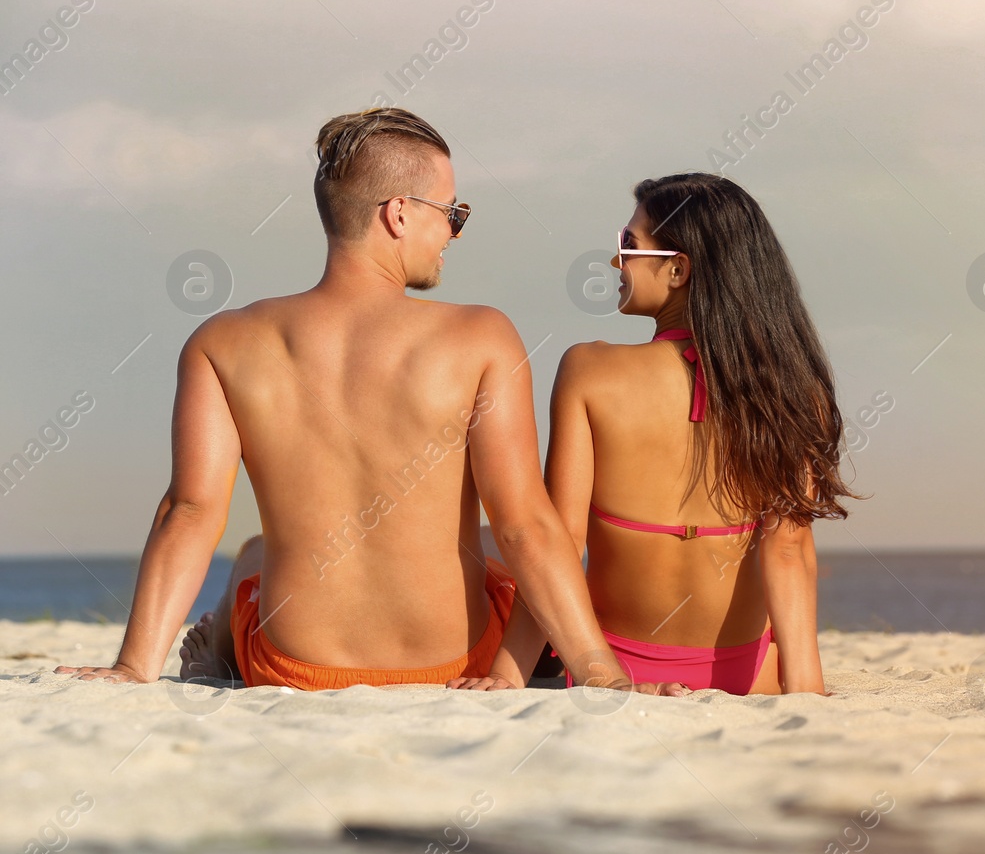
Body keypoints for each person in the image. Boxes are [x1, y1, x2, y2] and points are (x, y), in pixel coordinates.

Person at [55, 107, 683, 697]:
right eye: (453, 213)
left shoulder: (222, 342)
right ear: (400, 213)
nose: (455, 233)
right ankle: (223, 637)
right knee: (499, 545)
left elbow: (190, 510)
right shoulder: (480, 336)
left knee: (252, 552)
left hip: (290, 665)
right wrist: (601, 671)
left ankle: (219, 643)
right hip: (451, 660)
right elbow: (524, 524)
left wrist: (134, 668)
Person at [450, 173, 857, 695]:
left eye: (629, 245)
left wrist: (507, 674)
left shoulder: (588, 370)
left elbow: (560, 545)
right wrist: (807, 695)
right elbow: (788, 552)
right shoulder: (791, 390)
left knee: (496, 574)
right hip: (748, 674)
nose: (617, 261)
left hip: (613, 669)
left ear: (678, 268)